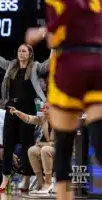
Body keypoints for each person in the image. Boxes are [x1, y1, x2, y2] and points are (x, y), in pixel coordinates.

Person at [25, 1, 102, 200]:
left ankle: (64, 197)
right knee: (99, 139)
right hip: (98, 62)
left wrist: (43, 31)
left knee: (64, 147)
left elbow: (69, 14)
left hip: (70, 64)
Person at [0, 23, 52, 192]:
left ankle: (27, 179)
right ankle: (4, 179)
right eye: (19, 50)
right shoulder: (11, 66)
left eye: (24, 51)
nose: (21, 53)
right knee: (7, 146)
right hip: (11, 110)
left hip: (29, 111)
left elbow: (50, 63)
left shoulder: (35, 67)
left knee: (27, 146)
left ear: (30, 54)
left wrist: (54, 45)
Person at [10, 103, 54, 194]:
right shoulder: (44, 119)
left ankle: (48, 183)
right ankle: (40, 183)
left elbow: (61, 142)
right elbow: (29, 119)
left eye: (47, 108)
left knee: (45, 149)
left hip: (60, 149)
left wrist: (43, 144)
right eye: (43, 108)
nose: (44, 110)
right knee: (32, 150)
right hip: (48, 147)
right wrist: (18, 112)